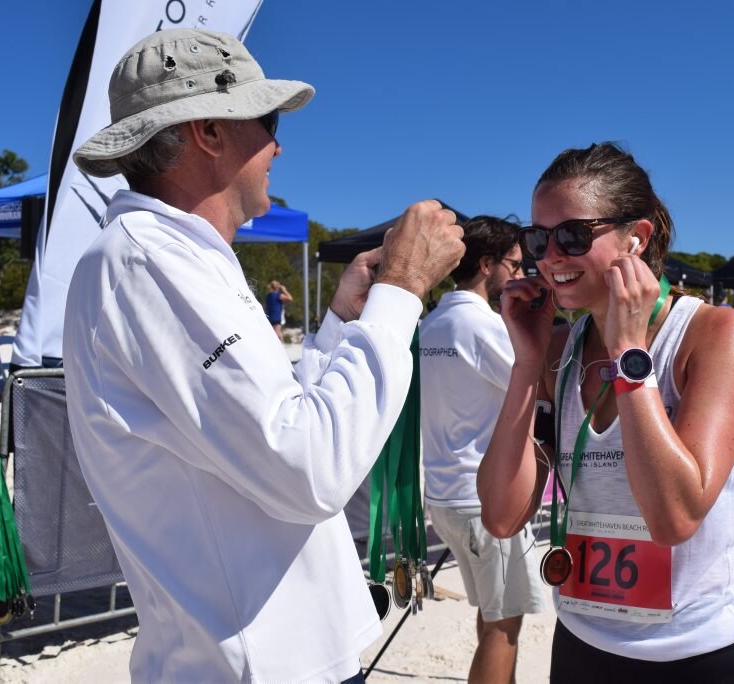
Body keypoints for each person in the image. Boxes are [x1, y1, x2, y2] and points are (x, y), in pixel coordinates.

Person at [62, 29, 465, 682]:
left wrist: (340, 321)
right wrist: (401, 291)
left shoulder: (171, 259)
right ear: (210, 132)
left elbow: (273, 421)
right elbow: (309, 467)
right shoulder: (147, 261)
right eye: (266, 119)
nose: (279, 143)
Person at [476, 142, 734, 680]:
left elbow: (674, 517)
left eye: (571, 235)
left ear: (635, 237)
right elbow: (501, 515)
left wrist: (629, 355)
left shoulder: (715, 334)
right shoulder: (560, 349)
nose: (550, 256)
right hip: (585, 644)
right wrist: (527, 364)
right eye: (537, 239)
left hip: (698, 653)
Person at [419, 215, 547, 683]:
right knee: (504, 626)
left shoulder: (430, 325)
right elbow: (537, 385)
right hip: (484, 498)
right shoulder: (482, 326)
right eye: (514, 264)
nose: (519, 273)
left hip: (446, 494)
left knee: (492, 614)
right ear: (487, 263)